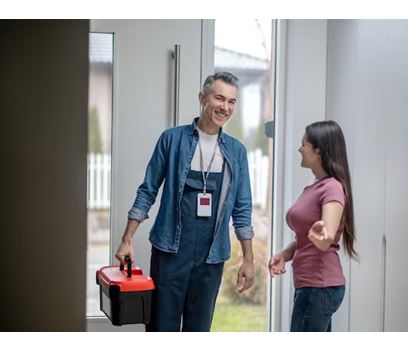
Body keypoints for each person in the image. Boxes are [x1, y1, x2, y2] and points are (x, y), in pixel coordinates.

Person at [115, 71, 255, 332]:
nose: (225, 107)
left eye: (232, 101)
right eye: (220, 98)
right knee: (161, 328)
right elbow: (148, 190)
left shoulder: (236, 152)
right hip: (170, 252)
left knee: (198, 331)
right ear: (202, 98)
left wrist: (248, 258)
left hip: (211, 258)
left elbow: (242, 208)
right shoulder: (172, 139)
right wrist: (127, 238)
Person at [268, 120, 358, 332]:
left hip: (320, 286)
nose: (300, 149)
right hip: (311, 286)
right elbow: (306, 238)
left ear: (319, 151)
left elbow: (325, 236)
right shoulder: (315, 187)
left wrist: (323, 236)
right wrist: (284, 254)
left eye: (304, 144)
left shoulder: (332, 189)